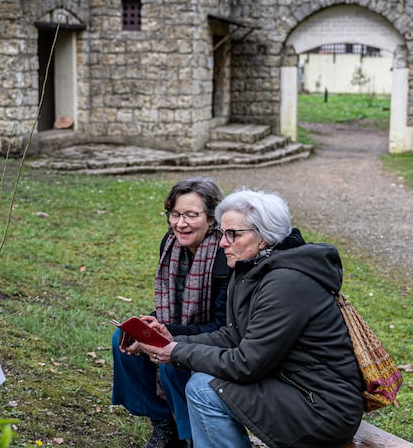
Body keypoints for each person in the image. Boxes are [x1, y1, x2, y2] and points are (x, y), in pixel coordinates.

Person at [135, 188, 365, 448]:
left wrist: (175, 352)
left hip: (322, 408)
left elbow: (246, 364)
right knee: (201, 382)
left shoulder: (286, 283)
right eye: (223, 233)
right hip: (289, 386)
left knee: (203, 389)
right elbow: (232, 335)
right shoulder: (250, 269)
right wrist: (172, 339)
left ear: (265, 237)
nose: (222, 243)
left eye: (233, 234)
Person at [112, 177, 231, 448]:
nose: (180, 224)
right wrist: (153, 325)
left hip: (214, 339)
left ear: (212, 219)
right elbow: (173, 303)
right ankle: (163, 424)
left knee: (172, 363)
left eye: (191, 215)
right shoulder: (170, 244)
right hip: (178, 326)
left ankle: (190, 435)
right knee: (124, 338)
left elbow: (221, 324)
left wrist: (170, 333)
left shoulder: (225, 255)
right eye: (175, 214)